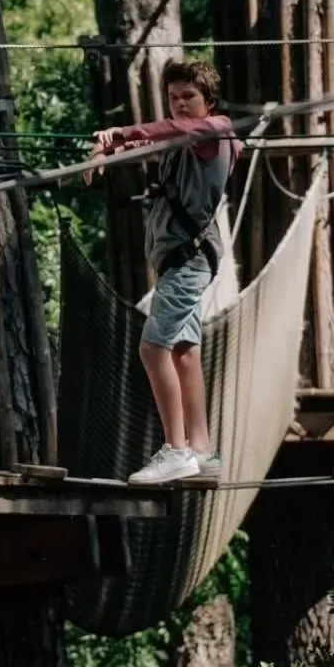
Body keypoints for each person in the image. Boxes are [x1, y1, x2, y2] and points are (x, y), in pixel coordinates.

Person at [86, 58, 241, 485]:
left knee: (153, 349)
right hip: (177, 261)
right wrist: (107, 149)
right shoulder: (181, 141)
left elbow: (172, 130)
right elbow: (157, 138)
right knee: (184, 351)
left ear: (209, 101)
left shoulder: (215, 129)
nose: (181, 104)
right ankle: (202, 451)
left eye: (189, 96)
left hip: (191, 258)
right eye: (173, 98)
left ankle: (176, 450)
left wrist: (122, 132)